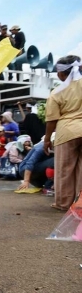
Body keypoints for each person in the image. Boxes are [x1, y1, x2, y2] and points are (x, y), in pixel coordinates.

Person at [44, 55, 82, 211]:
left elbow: (52, 120)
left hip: (67, 132)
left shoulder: (57, 92)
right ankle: (80, 203)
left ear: (61, 73)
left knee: (64, 169)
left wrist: (47, 139)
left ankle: (63, 203)